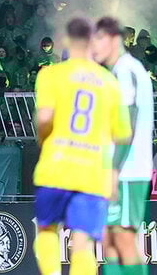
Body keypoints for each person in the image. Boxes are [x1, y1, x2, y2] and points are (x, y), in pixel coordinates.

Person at [33, 18, 131, 275]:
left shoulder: (51, 74)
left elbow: (44, 119)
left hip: (56, 166)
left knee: (46, 229)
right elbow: (122, 137)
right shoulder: (110, 83)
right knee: (82, 244)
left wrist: (45, 142)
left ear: (66, 41)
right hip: (92, 172)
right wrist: (112, 175)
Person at [92, 16, 154, 275]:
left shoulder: (126, 70)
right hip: (124, 168)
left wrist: (114, 170)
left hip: (127, 170)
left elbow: (127, 121)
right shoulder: (122, 70)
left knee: (124, 238)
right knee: (112, 240)